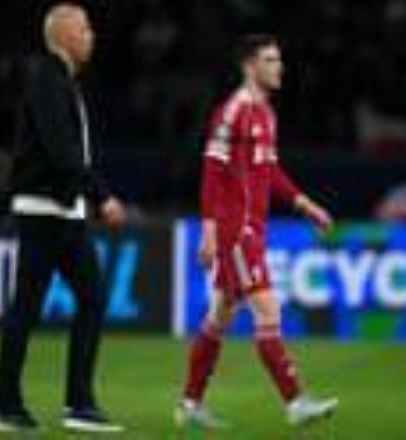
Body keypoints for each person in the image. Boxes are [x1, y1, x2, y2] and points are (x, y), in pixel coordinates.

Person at [175, 34, 339, 429]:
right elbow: (211, 173)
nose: (279, 67)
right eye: (270, 60)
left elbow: (271, 171)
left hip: (254, 229)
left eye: (278, 59)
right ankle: (295, 402)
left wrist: (304, 204)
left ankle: (190, 406)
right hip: (237, 231)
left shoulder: (266, 113)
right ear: (250, 66)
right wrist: (209, 231)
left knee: (219, 317)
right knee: (268, 309)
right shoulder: (231, 112)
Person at [0, 3, 126, 433]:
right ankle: (11, 408)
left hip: (64, 211)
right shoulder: (46, 80)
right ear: (65, 35)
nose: (91, 35)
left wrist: (89, 199)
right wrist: (103, 197)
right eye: (84, 28)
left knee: (90, 297)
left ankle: (78, 405)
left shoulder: (61, 80)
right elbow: (62, 153)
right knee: (29, 308)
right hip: (44, 212)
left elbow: (68, 154)